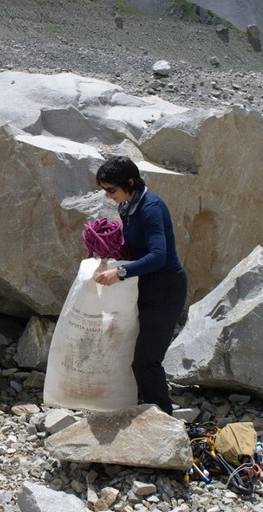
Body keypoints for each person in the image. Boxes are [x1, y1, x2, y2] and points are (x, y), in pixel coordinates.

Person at [93, 156, 187, 415]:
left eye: (111, 190)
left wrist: (121, 272)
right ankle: (145, 410)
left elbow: (159, 255)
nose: (108, 196)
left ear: (130, 182)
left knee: (147, 360)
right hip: (145, 286)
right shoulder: (127, 206)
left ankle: (164, 418)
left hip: (165, 289)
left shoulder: (151, 208)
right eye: (105, 190)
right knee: (133, 352)